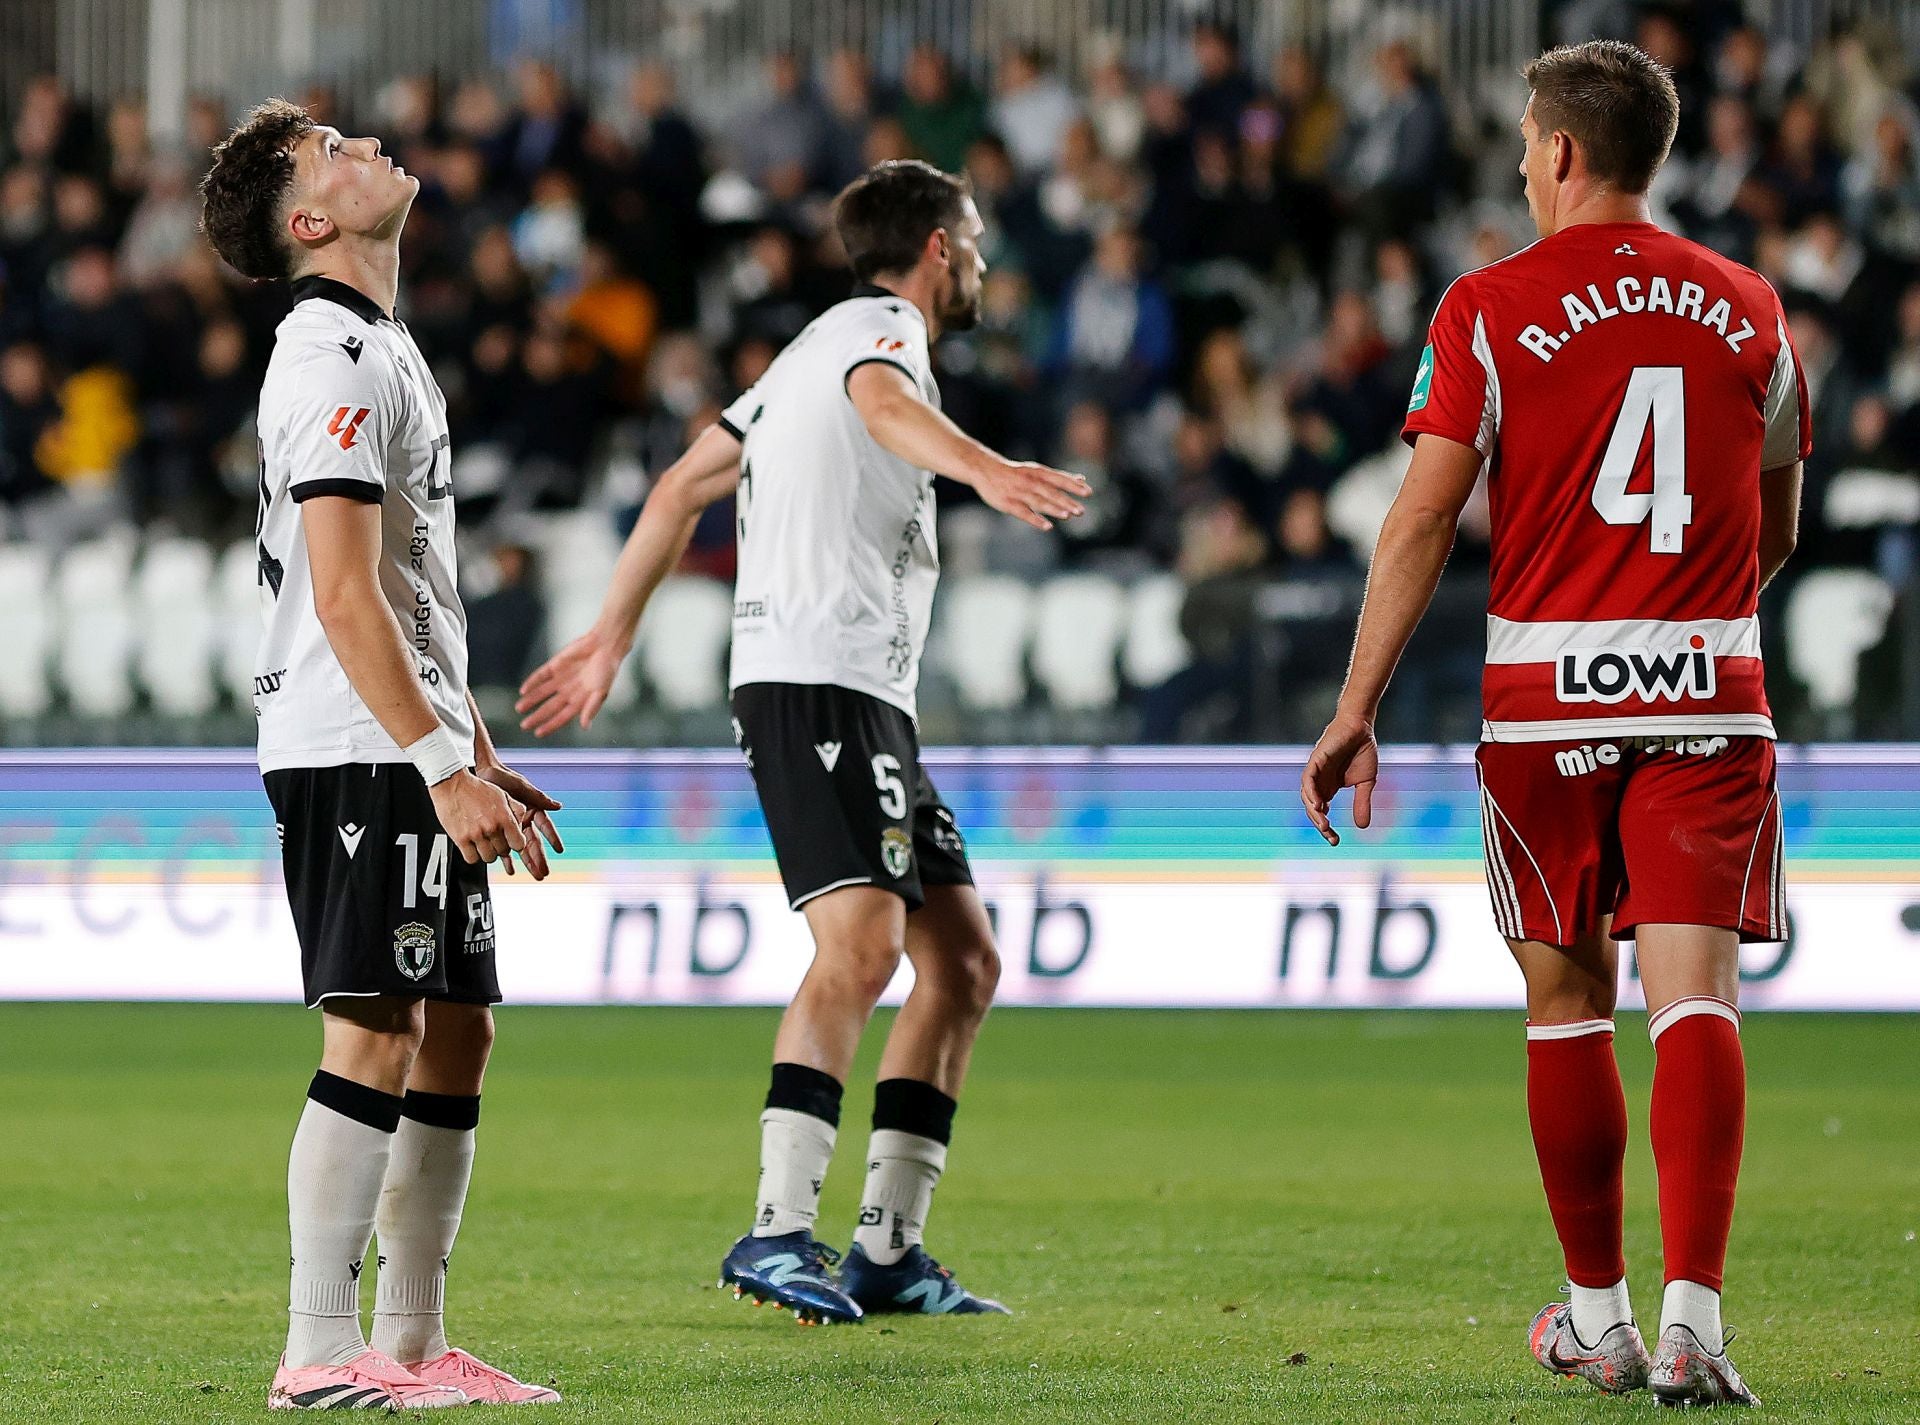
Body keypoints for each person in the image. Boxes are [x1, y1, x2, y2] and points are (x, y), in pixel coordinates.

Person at [1300, 41, 1807, 1408]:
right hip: (1709, 692)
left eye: (1529, 142)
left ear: (1567, 153)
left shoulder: (1488, 306)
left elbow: (1419, 515)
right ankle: (1697, 1319)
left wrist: (1357, 708)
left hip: (1546, 705)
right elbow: (1778, 517)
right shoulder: (1753, 306)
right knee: (1694, 991)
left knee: (1569, 995)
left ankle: (1600, 1318)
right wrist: (1684, 616)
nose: (1524, 163)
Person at [517, 159, 1089, 1323]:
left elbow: (680, 487)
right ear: (937, 246)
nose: (977, 262)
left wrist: (609, 638)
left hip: (860, 691)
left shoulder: (796, 361)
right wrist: (985, 469)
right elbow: (883, 407)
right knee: (862, 947)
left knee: (963, 961)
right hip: (815, 680)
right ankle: (775, 1231)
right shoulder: (882, 334)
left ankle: (886, 1249)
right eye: (971, 240)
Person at [200, 100, 566, 1409]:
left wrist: (471, 745)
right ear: (309, 223)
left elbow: (412, 589)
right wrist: (434, 758)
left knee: (454, 1028)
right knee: (375, 1025)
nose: (368, 150)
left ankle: (411, 1344)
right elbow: (346, 594)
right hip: (355, 743)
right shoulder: (330, 353)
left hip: (405, 737)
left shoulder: (384, 346)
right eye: (334, 153)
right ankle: (315, 1347)